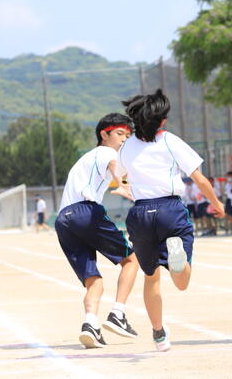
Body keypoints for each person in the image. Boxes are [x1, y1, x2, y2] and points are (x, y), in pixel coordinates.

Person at [117, 90, 225, 352]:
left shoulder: (126, 147)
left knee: (151, 276)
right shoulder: (169, 141)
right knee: (182, 282)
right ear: (162, 121)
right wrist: (216, 203)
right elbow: (199, 179)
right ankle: (177, 259)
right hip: (170, 210)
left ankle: (158, 333)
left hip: (140, 214)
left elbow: (120, 177)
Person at [55, 113, 140, 349]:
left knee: (93, 280)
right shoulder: (106, 152)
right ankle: (118, 314)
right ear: (104, 134)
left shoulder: (85, 159)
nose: (124, 139)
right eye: (120, 134)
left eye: (128, 136)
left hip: (64, 220)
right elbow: (114, 165)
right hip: (85, 212)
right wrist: (122, 185)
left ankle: (90, 324)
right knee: (131, 260)